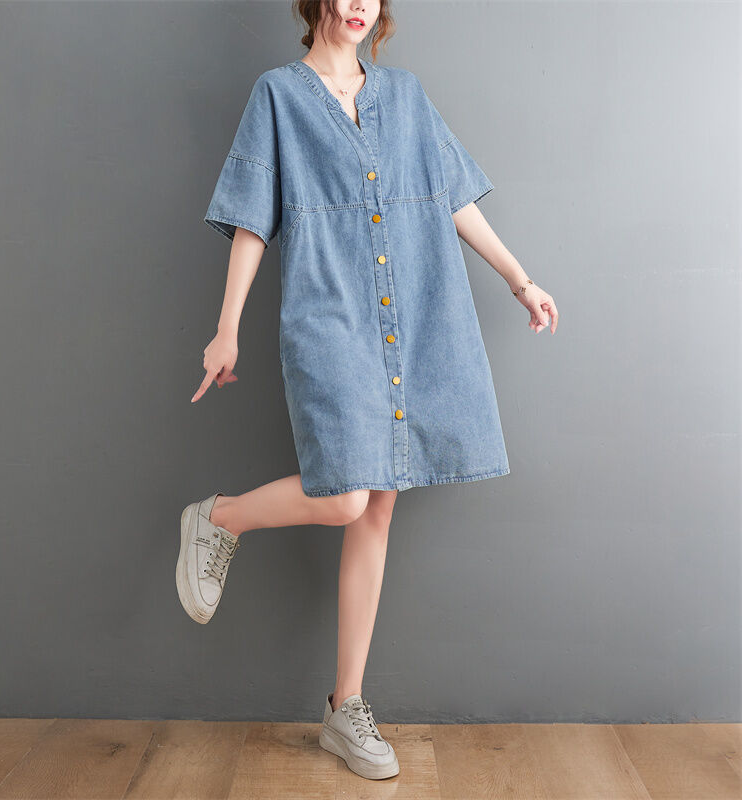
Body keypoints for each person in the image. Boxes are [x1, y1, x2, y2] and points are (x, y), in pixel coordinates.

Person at [176, 0, 558, 781]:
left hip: (415, 313)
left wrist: (520, 279)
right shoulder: (278, 95)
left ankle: (344, 707)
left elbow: (453, 197)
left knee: (379, 507)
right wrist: (227, 327)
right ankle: (218, 519)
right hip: (330, 316)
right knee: (348, 497)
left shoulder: (406, 95)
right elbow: (252, 218)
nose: (359, 4)